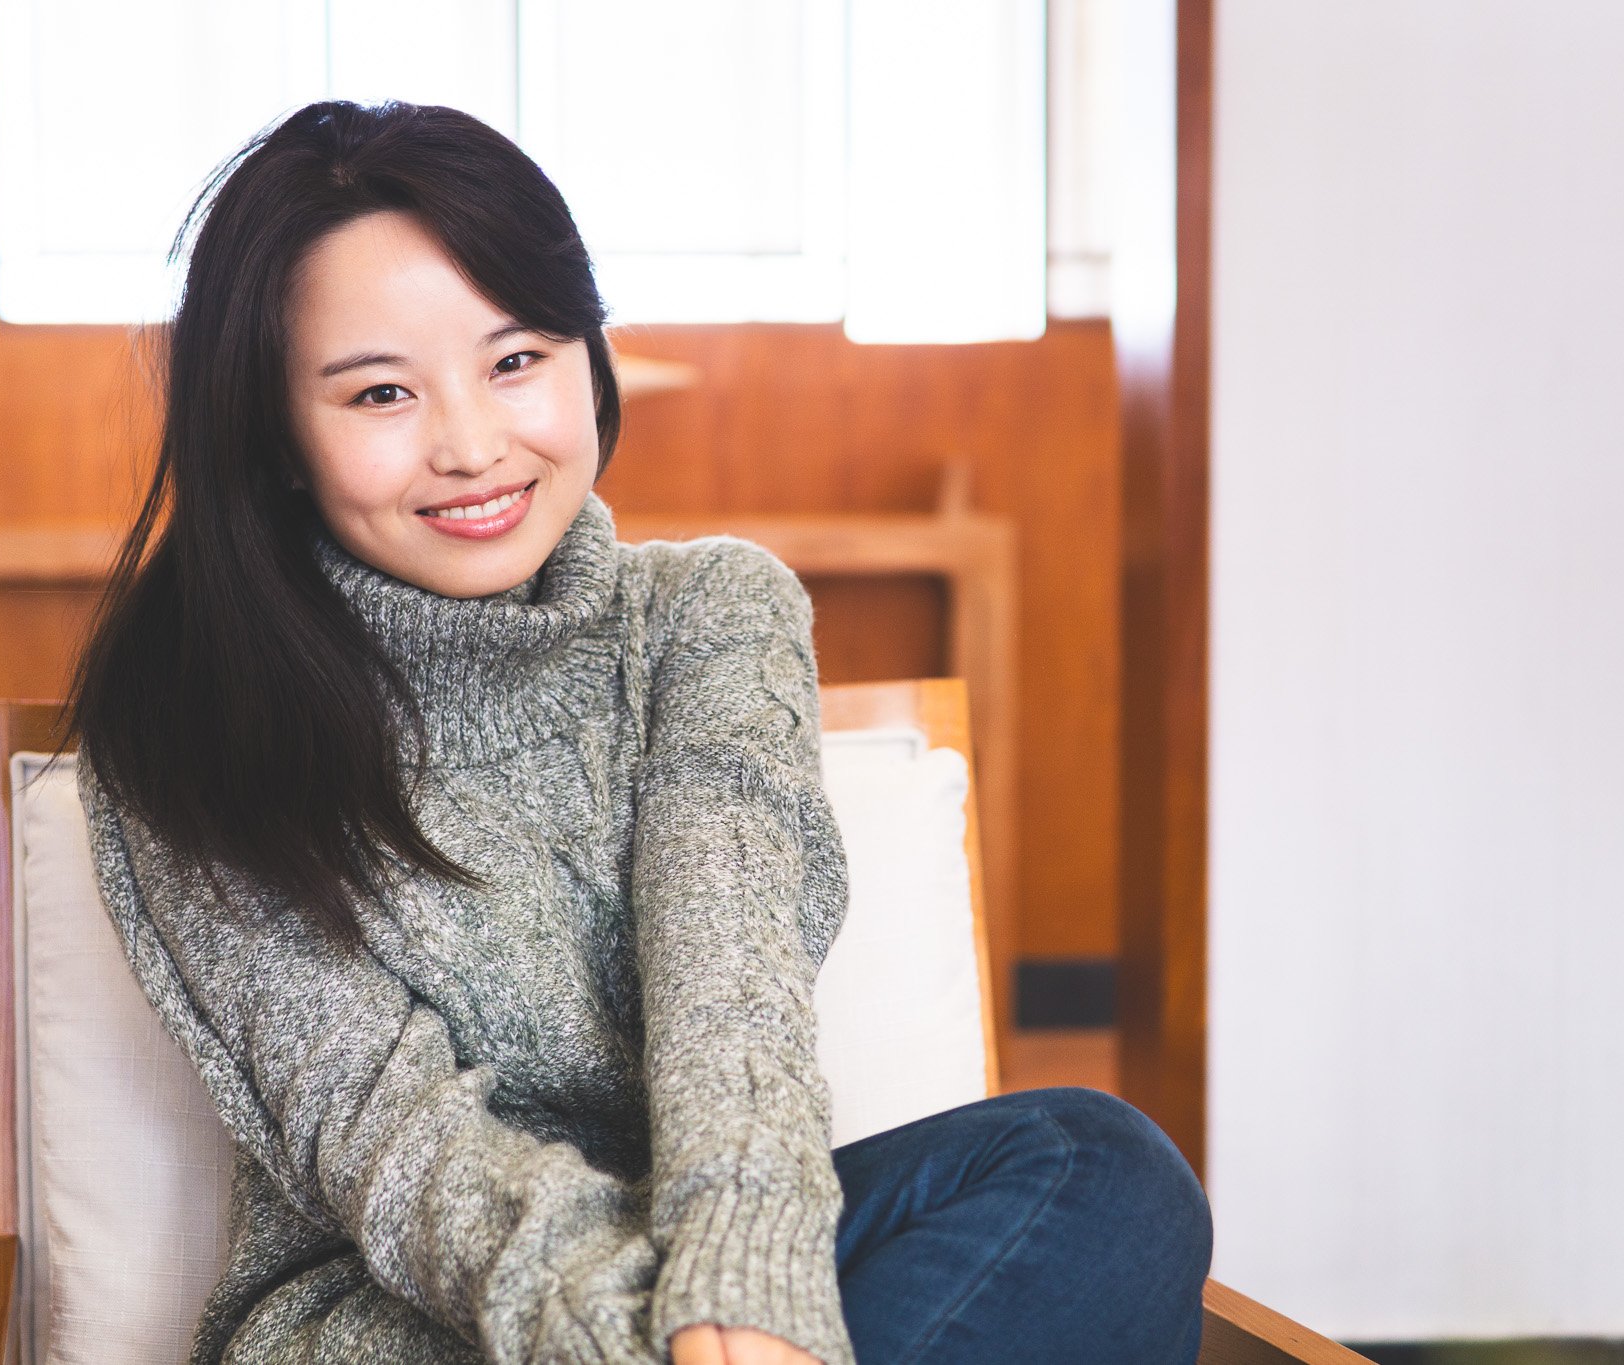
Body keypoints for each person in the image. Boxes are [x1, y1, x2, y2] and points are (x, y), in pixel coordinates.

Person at [65, 99, 1212, 1365]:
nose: (471, 446)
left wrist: (741, 1296)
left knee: (1095, 1173)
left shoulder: (710, 616)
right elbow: (387, 1140)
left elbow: (732, 995)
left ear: (586, 358)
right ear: (276, 436)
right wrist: (645, 1341)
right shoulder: (190, 723)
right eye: (381, 392)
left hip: (715, 1273)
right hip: (395, 1322)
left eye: (516, 361)